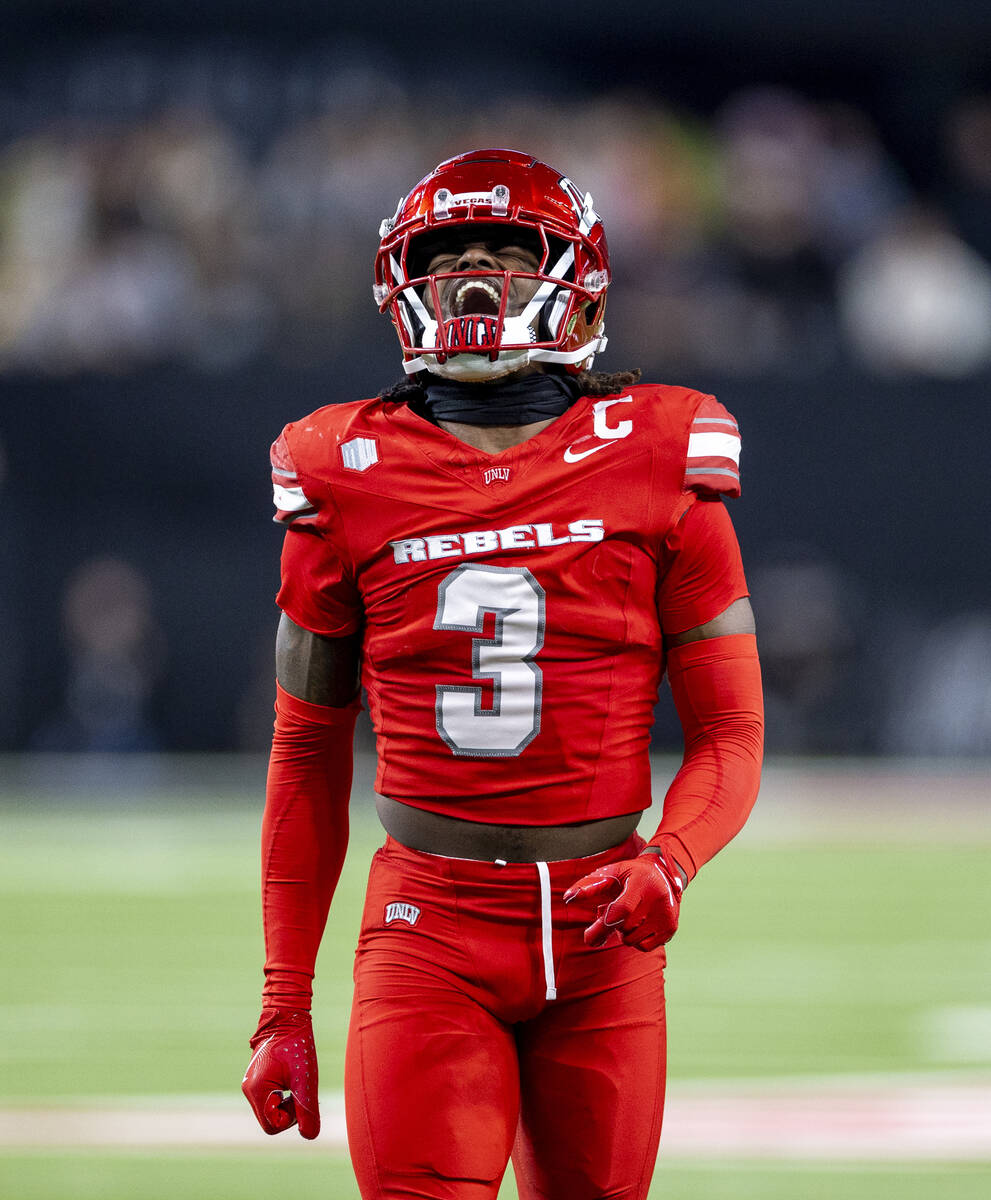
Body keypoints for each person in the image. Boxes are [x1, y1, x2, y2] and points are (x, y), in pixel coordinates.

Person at [242, 148, 764, 1200]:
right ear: (401, 280)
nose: (474, 275)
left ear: (576, 282)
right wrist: (281, 999)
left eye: (503, 250)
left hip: (601, 924)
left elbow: (731, 732)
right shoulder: (339, 467)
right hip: (428, 926)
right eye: (449, 252)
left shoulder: (662, 450)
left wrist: (672, 859)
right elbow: (304, 754)